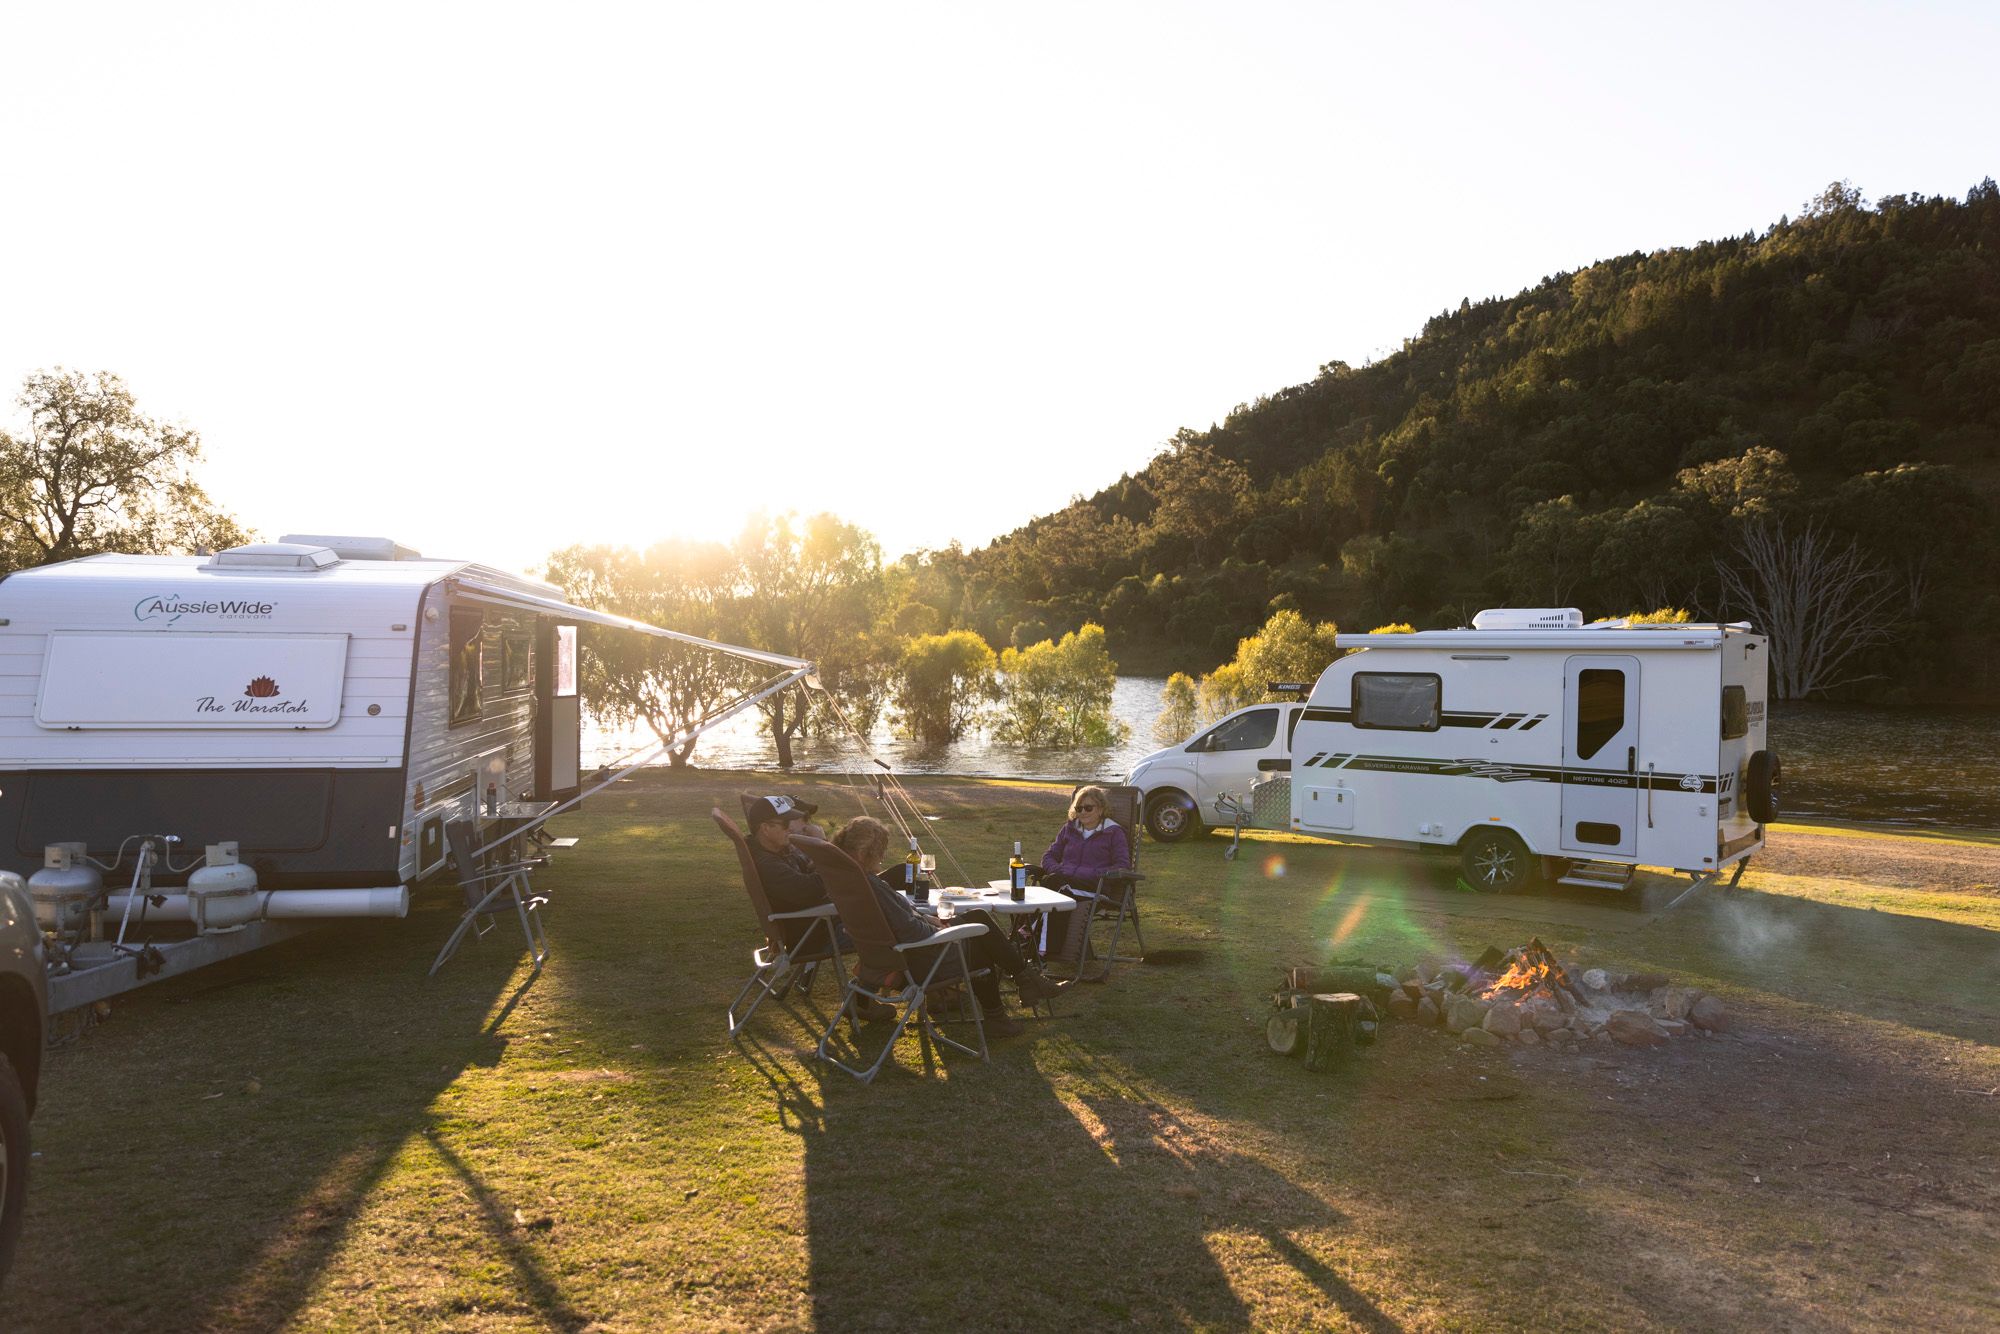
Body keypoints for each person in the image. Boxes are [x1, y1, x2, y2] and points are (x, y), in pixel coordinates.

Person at [832, 816, 1065, 1037]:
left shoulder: (851, 880)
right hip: (917, 962)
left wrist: (929, 920)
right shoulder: (873, 887)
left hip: (887, 957)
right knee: (979, 939)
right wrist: (940, 930)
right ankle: (1008, 1005)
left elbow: (901, 922)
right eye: (881, 851)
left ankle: (1022, 986)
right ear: (868, 852)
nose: (883, 857)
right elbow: (911, 931)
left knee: (977, 916)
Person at [1038, 785, 1131, 960]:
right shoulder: (1070, 829)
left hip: (1095, 887)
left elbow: (1122, 865)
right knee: (1052, 887)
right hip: (1064, 882)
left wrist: (1093, 873)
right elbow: (1049, 856)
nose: (1083, 812)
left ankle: (1042, 946)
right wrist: (1059, 869)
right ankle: (1039, 941)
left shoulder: (1114, 832)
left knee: (1053, 888)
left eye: (1089, 808)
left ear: (1101, 809)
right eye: (1079, 808)